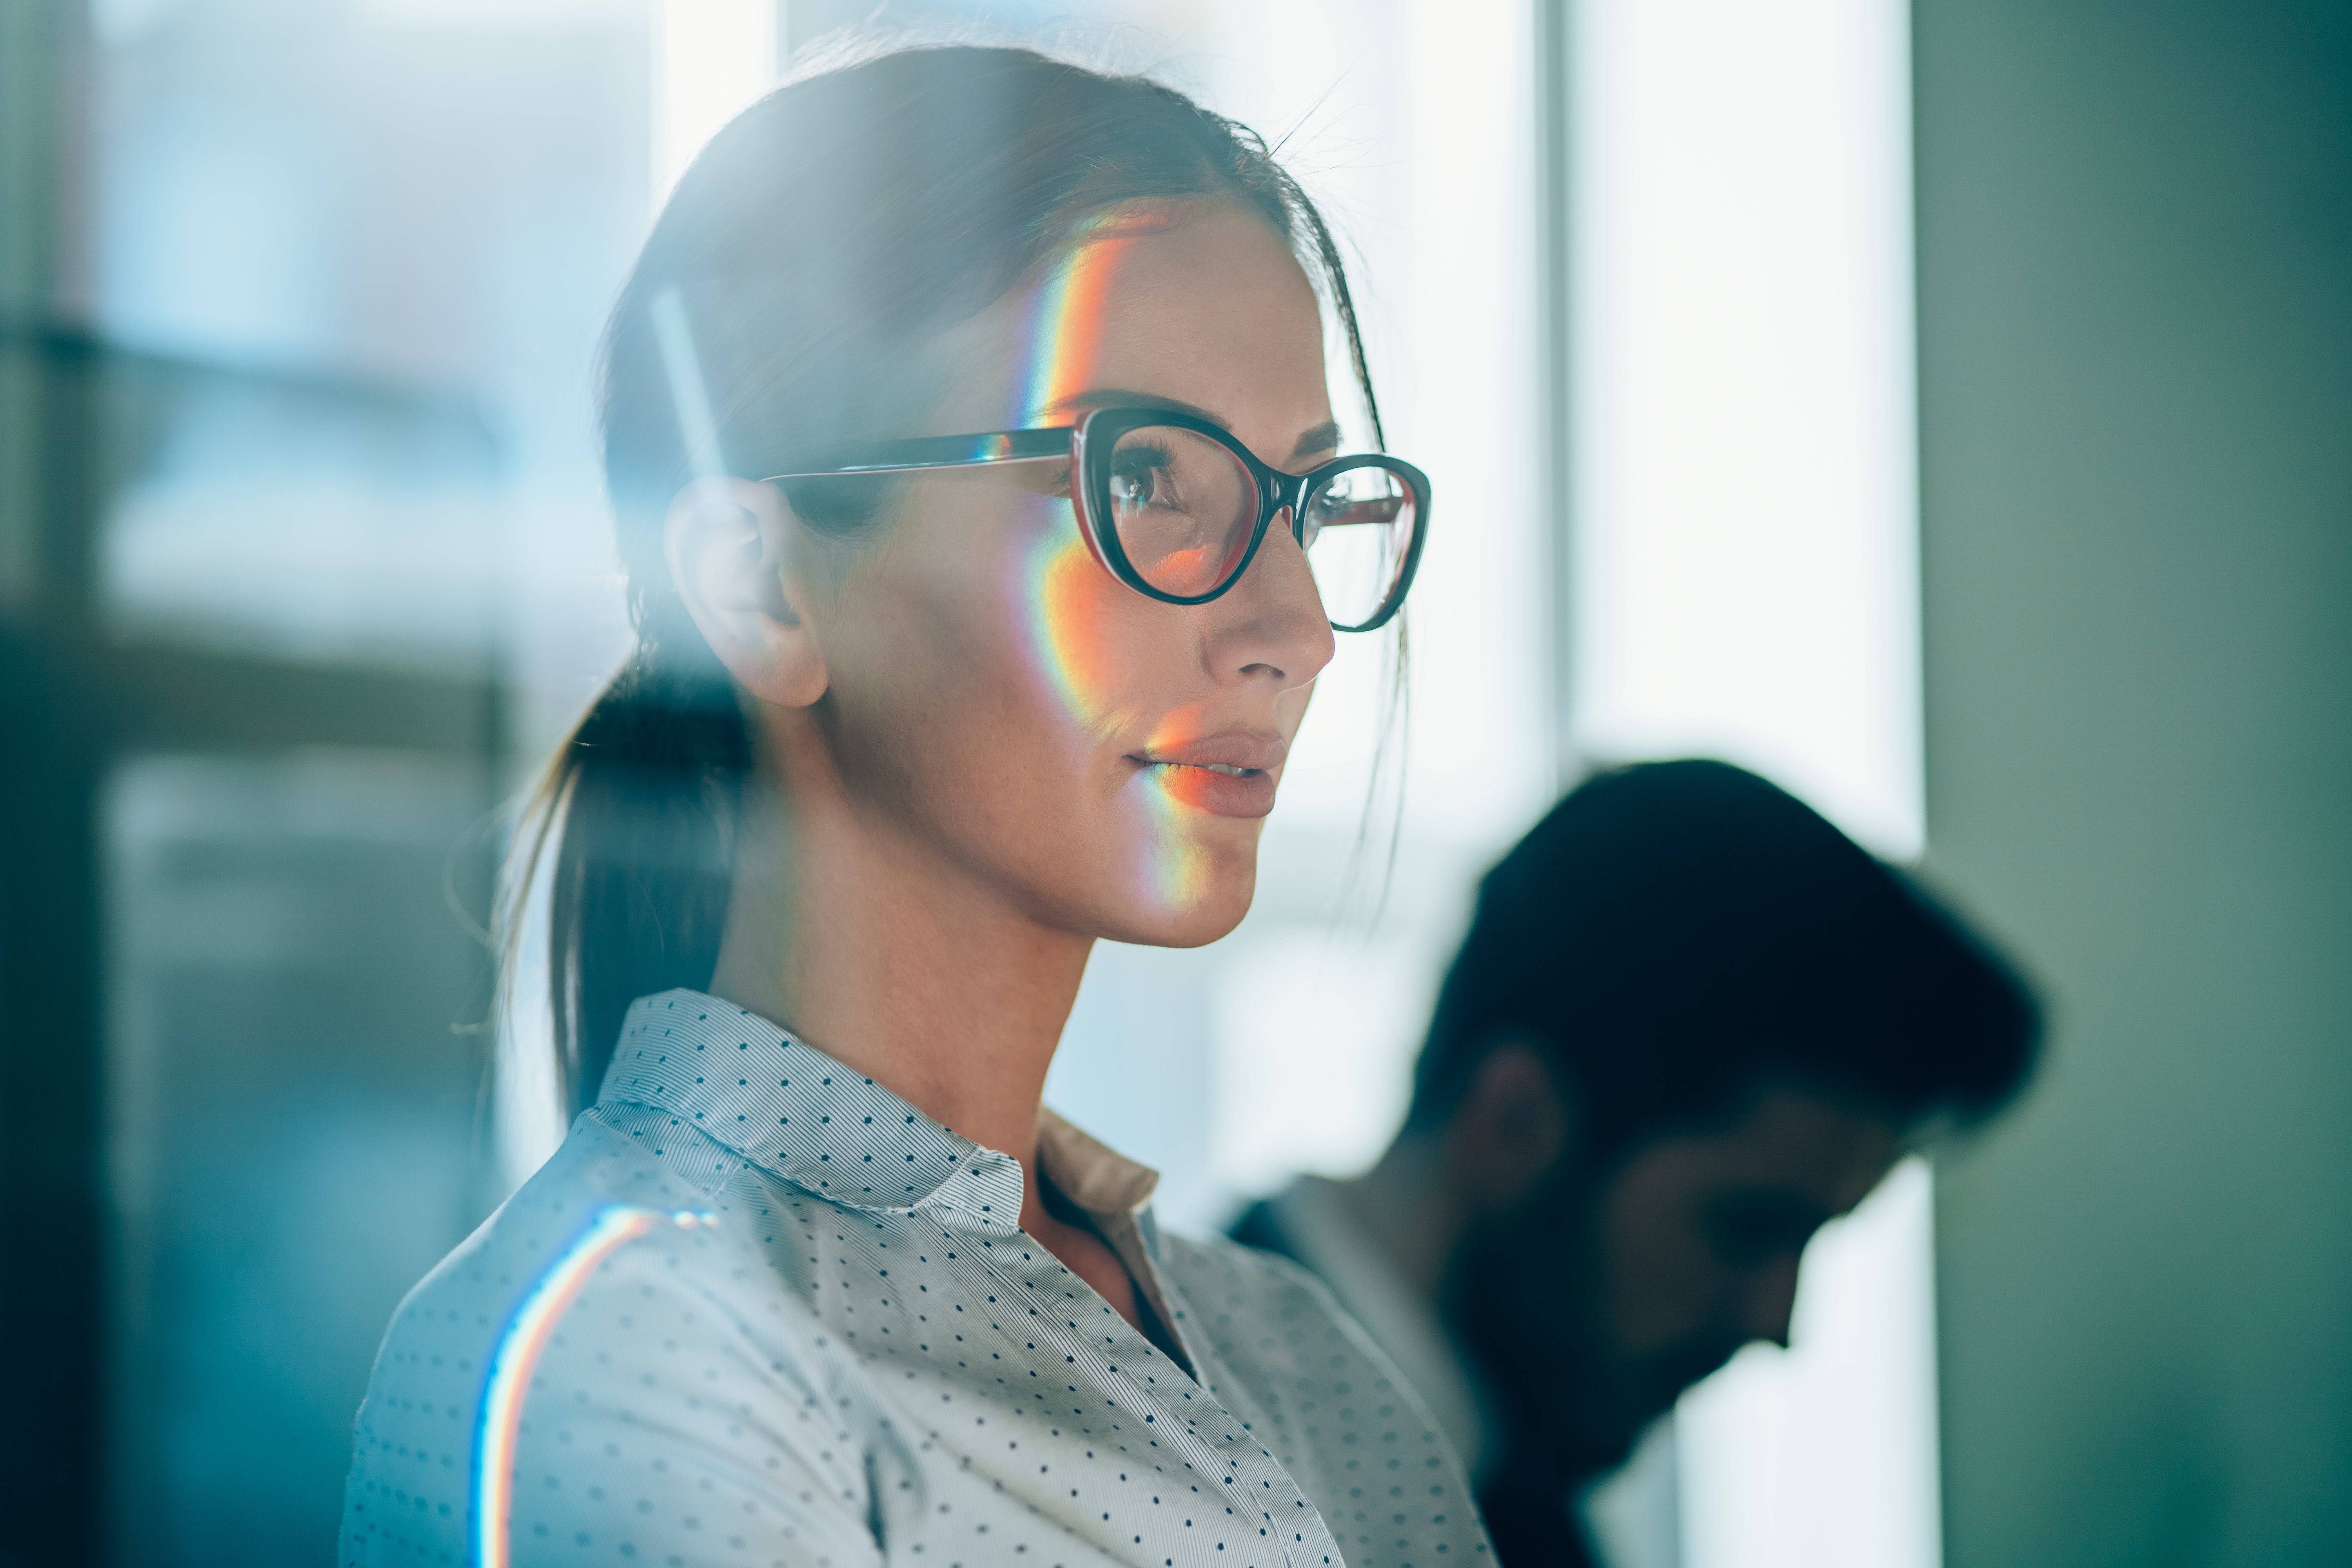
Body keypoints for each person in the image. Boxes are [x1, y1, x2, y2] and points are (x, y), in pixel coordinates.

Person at [339, 44, 1477, 1568]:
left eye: (1308, 500)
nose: (1295, 626)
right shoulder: (631, 1357)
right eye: (1142, 480)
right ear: (760, 584)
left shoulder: (1307, 1363)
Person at [1230, 760, 2043, 1567]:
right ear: (1514, 1125)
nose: (1775, 1321)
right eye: (1748, 1228)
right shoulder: (1176, 1469)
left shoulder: (1489, 1481)